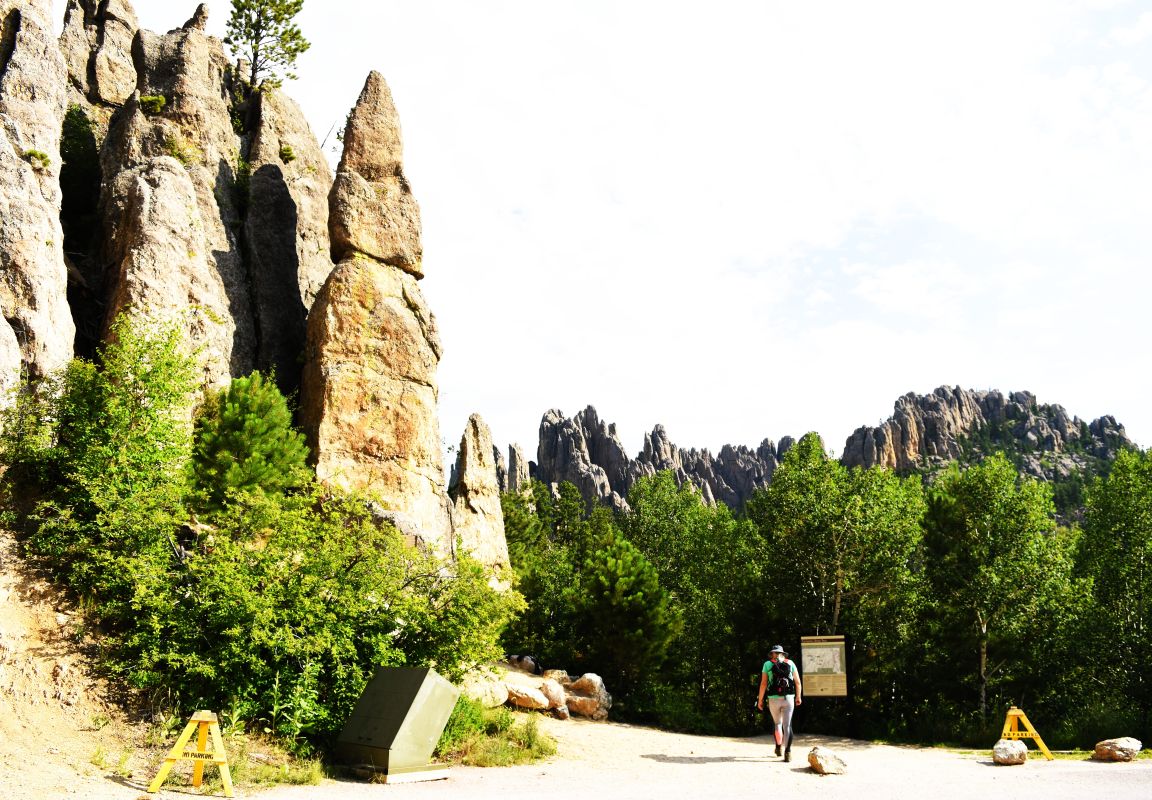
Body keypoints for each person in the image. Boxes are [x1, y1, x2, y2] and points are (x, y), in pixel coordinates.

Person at [757, 644, 802, 761]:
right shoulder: (790, 663)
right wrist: (798, 696)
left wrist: (760, 700)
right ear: (782, 653)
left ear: (772, 653)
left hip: (773, 699)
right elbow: (797, 682)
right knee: (787, 725)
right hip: (789, 698)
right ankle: (788, 752)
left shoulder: (767, 664)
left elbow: (763, 684)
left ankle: (778, 747)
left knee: (777, 724)